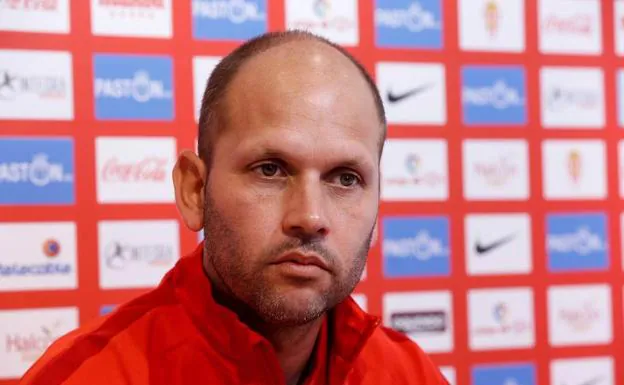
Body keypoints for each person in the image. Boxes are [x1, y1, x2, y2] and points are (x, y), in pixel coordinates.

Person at [20, 30, 450, 385]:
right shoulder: (85, 376)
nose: (310, 217)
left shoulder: (410, 375)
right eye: (271, 169)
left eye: (345, 178)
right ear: (194, 190)